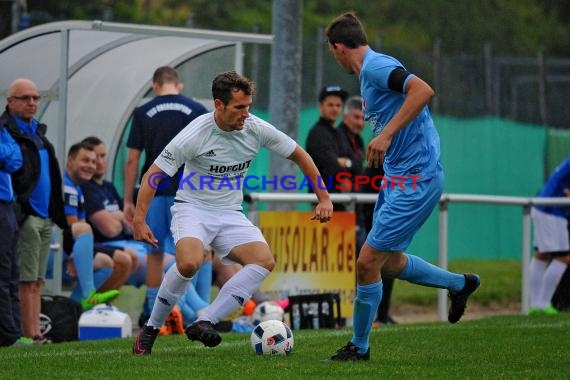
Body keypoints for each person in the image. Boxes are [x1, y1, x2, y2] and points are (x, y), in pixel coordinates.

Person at [131, 70, 333, 355]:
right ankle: (150, 329)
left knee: (263, 261)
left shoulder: (255, 128)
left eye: (248, 106)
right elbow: (154, 173)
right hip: (193, 209)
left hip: (229, 212)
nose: (245, 113)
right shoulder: (195, 133)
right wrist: (139, 219)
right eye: (239, 107)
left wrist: (323, 197)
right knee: (189, 263)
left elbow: (300, 155)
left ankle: (205, 321)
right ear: (219, 105)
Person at [325, 12, 480, 361]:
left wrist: (386, 133)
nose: (335, 59)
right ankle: (460, 284)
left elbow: (423, 89)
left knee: (366, 263)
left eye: (332, 53)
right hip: (399, 177)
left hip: (417, 177)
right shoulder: (372, 72)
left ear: (338, 47)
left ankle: (359, 347)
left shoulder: (376, 67)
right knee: (387, 262)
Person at [124, 66, 208, 318]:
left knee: (154, 254)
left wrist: (129, 199)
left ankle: (155, 315)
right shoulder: (196, 110)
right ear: (178, 85)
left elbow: (132, 159)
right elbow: (206, 155)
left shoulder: (142, 112)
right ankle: (203, 311)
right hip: (188, 191)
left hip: (154, 191)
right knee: (195, 251)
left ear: (155, 85)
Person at [2, 78, 67, 343]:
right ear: (10, 101)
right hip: (25, 215)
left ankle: (36, 332)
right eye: (25, 98)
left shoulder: (36, 132)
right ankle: (28, 334)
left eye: (35, 98)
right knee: (26, 280)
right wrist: (23, 208)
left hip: (44, 217)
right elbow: (16, 170)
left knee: (37, 279)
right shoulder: (7, 130)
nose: (32, 103)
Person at [338, 95, 398, 326]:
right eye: (356, 117)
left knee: (384, 263)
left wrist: (350, 165)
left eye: (364, 118)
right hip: (363, 214)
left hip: (373, 213)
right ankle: (370, 317)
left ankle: (379, 316)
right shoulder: (374, 143)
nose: (361, 122)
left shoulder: (365, 142)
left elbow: (358, 174)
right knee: (370, 265)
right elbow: (341, 169)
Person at [62, 142, 121, 309]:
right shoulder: (64, 185)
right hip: (52, 250)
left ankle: (72, 310)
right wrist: (74, 255)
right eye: (85, 160)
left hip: (65, 249)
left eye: (93, 162)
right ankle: (89, 294)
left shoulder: (78, 189)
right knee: (84, 228)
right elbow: (71, 227)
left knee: (106, 262)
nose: (90, 166)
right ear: (70, 160)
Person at [80, 136, 139, 290]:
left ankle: (198, 310)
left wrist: (117, 218)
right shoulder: (86, 187)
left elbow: (130, 225)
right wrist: (119, 217)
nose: (99, 162)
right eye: (93, 158)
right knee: (164, 264)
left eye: (102, 156)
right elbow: (110, 230)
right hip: (107, 243)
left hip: (128, 242)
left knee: (177, 258)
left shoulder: (109, 187)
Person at [529, 156, 570, 315]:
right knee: (564, 257)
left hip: (544, 207)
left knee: (542, 254)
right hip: (552, 210)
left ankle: (536, 305)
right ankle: (543, 303)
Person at [306, 85, 353, 211]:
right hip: (321, 203)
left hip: (341, 202)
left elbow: (356, 163)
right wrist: (342, 166)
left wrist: (346, 162)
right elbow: (330, 166)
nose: (335, 109)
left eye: (338, 105)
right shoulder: (316, 134)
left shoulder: (340, 133)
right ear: (321, 106)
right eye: (330, 105)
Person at [0, 121, 26, 346]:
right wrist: (7, 153)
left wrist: (7, 153)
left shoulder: (3, 130)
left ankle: (14, 332)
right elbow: (8, 155)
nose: (32, 103)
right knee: (3, 272)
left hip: (8, 206)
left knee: (11, 273)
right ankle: (8, 335)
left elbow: (16, 160)